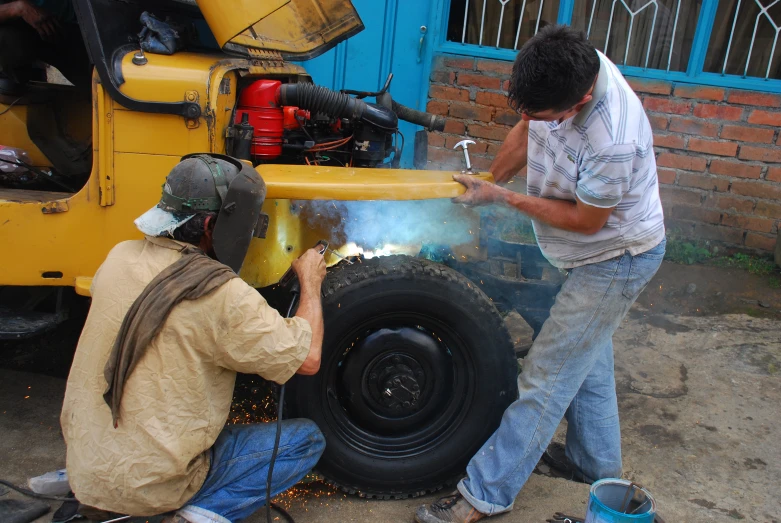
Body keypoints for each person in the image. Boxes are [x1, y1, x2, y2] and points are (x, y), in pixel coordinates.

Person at [416, 25, 666, 523]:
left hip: (615, 257)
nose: (528, 118)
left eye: (542, 112)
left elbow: (587, 219)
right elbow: (529, 127)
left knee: (547, 377)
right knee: (585, 358)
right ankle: (590, 462)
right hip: (582, 251)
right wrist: (490, 184)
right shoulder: (565, 65)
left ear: (580, 101)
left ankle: (484, 494)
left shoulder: (613, 138)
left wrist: (503, 199)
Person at [61, 154, 327, 523]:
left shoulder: (119, 256)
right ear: (209, 226)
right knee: (307, 439)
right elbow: (308, 358)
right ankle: (188, 515)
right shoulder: (221, 294)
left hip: (86, 472)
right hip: (154, 489)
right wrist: (310, 283)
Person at [0, 0, 90, 93]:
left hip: (82, 18)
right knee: (6, 37)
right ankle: (16, 77)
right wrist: (18, 8)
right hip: (41, 31)